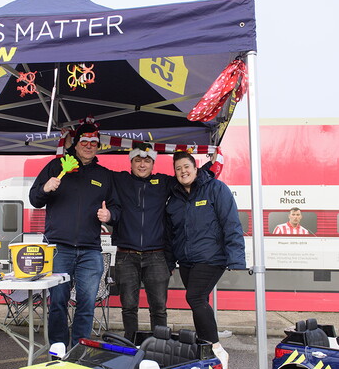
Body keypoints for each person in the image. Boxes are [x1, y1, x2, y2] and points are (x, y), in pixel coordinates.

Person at [29, 121, 119, 348]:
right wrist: (45, 188)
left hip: (90, 250)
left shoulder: (104, 175)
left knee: (87, 303)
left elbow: (117, 208)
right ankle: (59, 349)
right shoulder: (56, 166)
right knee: (58, 301)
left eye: (94, 143)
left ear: (98, 146)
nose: (89, 146)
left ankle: (80, 349)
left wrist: (109, 216)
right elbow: (34, 199)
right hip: (59, 248)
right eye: (85, 141)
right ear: (76, 144)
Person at [164, 151, 246, 345]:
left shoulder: (216, 188)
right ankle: (204, 345)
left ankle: (214, 346)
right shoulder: (174, 199)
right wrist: (169, 262)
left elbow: (231, 222)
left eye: (186, 167)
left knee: (195, 297)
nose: (183, 171)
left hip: (211, 258)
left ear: (195, 168)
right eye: (178, 168)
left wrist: (236, 257)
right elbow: (170, 234)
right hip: (186, 261)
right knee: (198, 302)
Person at [107, 143, 173, 343]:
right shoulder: (119, 180)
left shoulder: (164, 182)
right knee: (128, 306)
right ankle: (130, 345)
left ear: (153, 163)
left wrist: (211, 166)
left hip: (157, 255)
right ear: (131, 162)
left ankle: (160, 346)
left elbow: (188, 178)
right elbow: (93, 169)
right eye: (138, 160)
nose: (142, 165)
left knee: (159, 308)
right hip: (126, 255)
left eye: (147, 161)